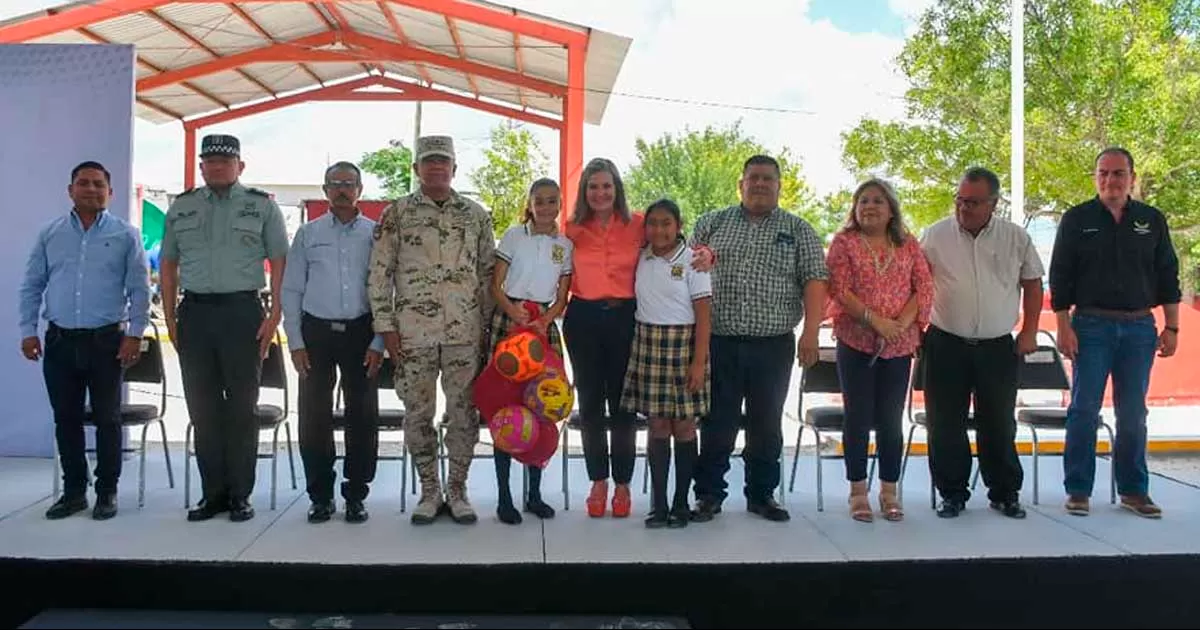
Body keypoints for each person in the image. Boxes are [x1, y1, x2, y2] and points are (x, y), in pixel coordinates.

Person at [562, 158, 715, 519]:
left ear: (617, 189)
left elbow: (674, 241)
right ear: (585, 191)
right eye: (593, 186)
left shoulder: (636, 225)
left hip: (624, 318)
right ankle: (598, 481)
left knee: (623, 407)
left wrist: (708, 254)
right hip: (582, 318)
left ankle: (623, 483)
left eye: (607, 186)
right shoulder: (570, 229)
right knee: (590, 405)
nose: (600, 193)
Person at [690, 155, 829, 523]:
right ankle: (708, 495)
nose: (761, 184)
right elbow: (685, 275)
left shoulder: (799, 230)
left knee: (766, 424)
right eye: (754, 178)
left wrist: (811, 333)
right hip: (719, 342)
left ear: (779, 186)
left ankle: (762, 494)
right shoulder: (711, 223)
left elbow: (815, 280)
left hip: (773, 345)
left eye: (768, 178)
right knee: (717, 422)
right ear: (741, 185)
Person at [160, 134, 289, 523]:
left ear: (240, 166)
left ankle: (239, 494)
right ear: (201, 167)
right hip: (195, 315)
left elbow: (280, 262)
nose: (217, 167)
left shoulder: (261, 206)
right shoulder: (181, 208)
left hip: (242, 313)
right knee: (202, 408)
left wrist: (274, 316)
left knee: (241, 408)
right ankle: (211, 493)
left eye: (224, 161)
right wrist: (170, 318)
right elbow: (168, 265)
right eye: (210, 161)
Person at [368, 135, 494, 525]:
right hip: (412, 335)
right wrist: (385, 327)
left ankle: (457, 489)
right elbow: (379, 273)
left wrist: (488, 330)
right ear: (416, 169)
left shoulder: (475, 215)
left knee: (463, 414)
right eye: (428, 162)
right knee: (417, 414)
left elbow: (488, 275)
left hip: (464, 333)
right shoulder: (397, 214)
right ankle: (429, 489)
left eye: (443, 162)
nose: (436, 168)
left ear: (454, 168)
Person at [1050, 147, 1179, 519]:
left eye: (1118, 173)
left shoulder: (1151, 220)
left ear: (1132, 178)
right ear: (1095, 177)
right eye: (1103, 173)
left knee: (1134, 412)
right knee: (1084, 409)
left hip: (1140, 328)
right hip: (1090, 326)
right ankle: (1078, 490)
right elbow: (1060, 276)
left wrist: (1172, 327)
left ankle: (1134, 490)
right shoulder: (1077, 219)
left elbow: (1167, 274)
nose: (1110, 180)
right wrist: (1063, 327)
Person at [19, 161, 151, 521]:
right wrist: (27, 330)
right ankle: (74, 492)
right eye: (83, 183)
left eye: (98, 184)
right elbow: (32, 284)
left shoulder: (126, 235)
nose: (91, 189)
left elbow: (140, 289)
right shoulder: (51, 234)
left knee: (108, 419)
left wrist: (135, 335)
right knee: (66, 419)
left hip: (107, 342)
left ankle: (106, 491)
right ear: (70, 190)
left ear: (110, 191)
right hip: (59, 341)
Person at [920, 166, 1043, 519]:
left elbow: (1033, 284)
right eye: (959, 200)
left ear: (994, 203)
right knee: (945, 423)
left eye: (973, 202)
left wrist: (1030, 331)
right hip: (945, 343)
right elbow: (915, 283)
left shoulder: (1015, 237)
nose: (964, 208)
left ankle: (1004, 492)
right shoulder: (934, 235)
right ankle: (952, 493)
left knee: (999, 421)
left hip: (997, 346)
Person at [825, 178, 933, 522]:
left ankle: (889, 490)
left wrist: (899, 325)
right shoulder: (844, 243)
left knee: (890, 420)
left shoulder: (908, 244)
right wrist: (876, 322)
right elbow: (839, 289)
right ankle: (858, 492)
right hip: (856, 341)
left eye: (877, 201)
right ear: (855, 209)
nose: (869, 206)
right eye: (863, 201)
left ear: (891, 210)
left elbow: (924, 286)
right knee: (856, 416)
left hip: (898, 345)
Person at [282, 162, 384, 525]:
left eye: (349, 184)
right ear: (325, 191)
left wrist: (378, 341)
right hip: (316, 334)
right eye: (335, 184)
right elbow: (291, 289)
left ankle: (356, 494)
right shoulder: (307, 235)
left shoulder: (376, 235)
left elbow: (385, 291)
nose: (342, 190)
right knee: (314, 416)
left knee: (363, 415)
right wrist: (295, 341)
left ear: (360, 189)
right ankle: (320, 495)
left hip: (361, 333)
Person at [618, 198, 712, 529]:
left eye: (666, 223)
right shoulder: (641, 256)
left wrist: (698, 363)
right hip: (648, 344)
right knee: (657, 425)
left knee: (684, 427)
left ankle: (681, 503)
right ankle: (658, 505)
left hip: (684, 347)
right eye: (653, 223)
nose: (659, 229)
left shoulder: (693, 262)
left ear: (679, 226)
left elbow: (704, 316)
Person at [488, 178, 572, 525]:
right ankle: (504, 498)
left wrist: (545, 319)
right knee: (505, 408)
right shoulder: (512, 236)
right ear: (530, 203)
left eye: (552, 201)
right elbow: (495, 285)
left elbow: (563, 295)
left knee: (542, 405)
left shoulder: (565, 245)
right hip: (509, 321)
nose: (546, 207)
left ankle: (534, 494)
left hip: (542, 327)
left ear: (559, 204)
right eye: (540, 201)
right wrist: (512, 310)